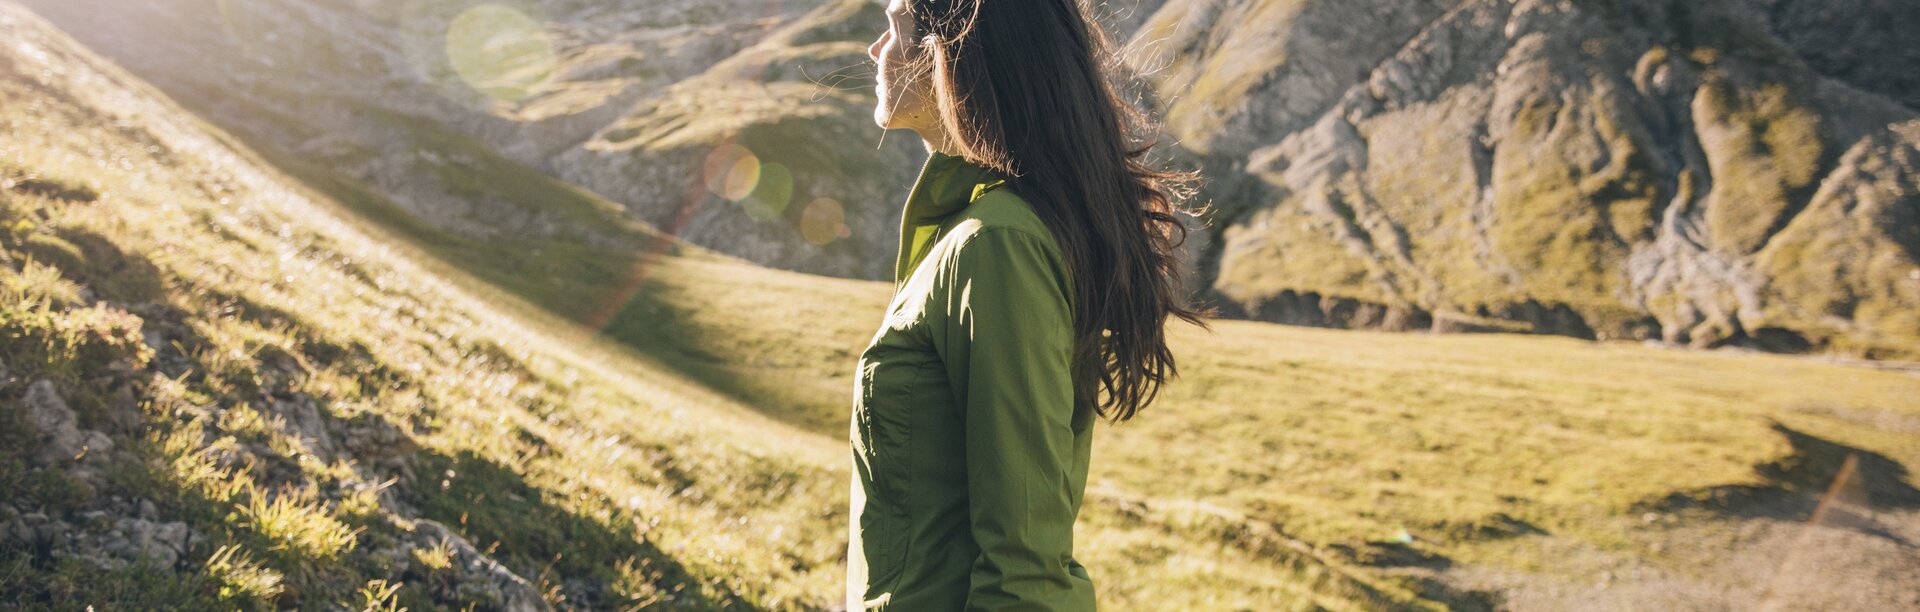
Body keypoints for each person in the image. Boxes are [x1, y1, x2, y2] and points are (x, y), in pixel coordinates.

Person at [847, 0, 1213, 609]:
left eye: (895, 26)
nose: (874, 49)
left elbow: (1024, 567)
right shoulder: (975, 229)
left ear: (948, 56)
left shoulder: (997, 244)